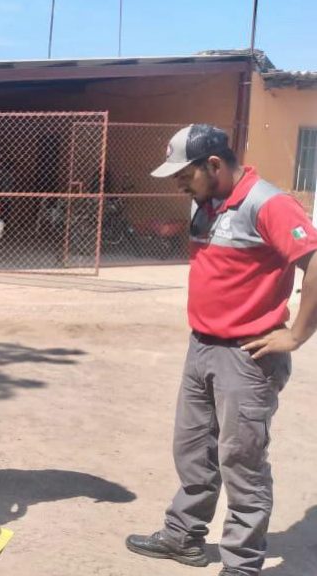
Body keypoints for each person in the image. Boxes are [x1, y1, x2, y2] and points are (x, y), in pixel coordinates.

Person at [126, 124, 317, 576]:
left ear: (213, 164)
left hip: (247, 357)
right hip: (202, 346)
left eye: (184, 175)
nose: (179, 184)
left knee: (242, 461)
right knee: (193, 448)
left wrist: (296, 335)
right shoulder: (206, 201)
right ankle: (184, 536)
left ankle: (242, 563)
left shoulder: (268, 203)